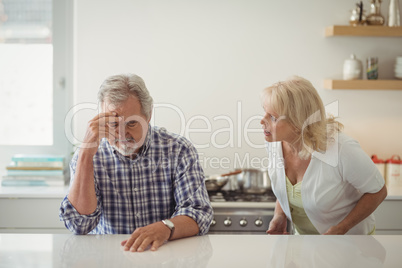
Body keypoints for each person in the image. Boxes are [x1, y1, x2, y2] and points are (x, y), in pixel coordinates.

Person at [59, 73, 213, 252]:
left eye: (132, 123)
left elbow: (199, 213)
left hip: (163, 256)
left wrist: (166, 227)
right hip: (111, 259)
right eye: (113, 123)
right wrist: (86, 154)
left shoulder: (178, 150)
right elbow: (79, 224)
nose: (122, 135)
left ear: (148, 117)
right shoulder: (87, 156)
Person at [260, 76, 387, 235]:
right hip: (306, 245)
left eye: (273, 117)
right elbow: (286, 188)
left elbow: (378, 191)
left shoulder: (342, 149)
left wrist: (342, 228)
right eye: (265, 112)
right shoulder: (274, 143)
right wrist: (280, 214)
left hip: (351, 246)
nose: (262, 121)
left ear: (298, 122)